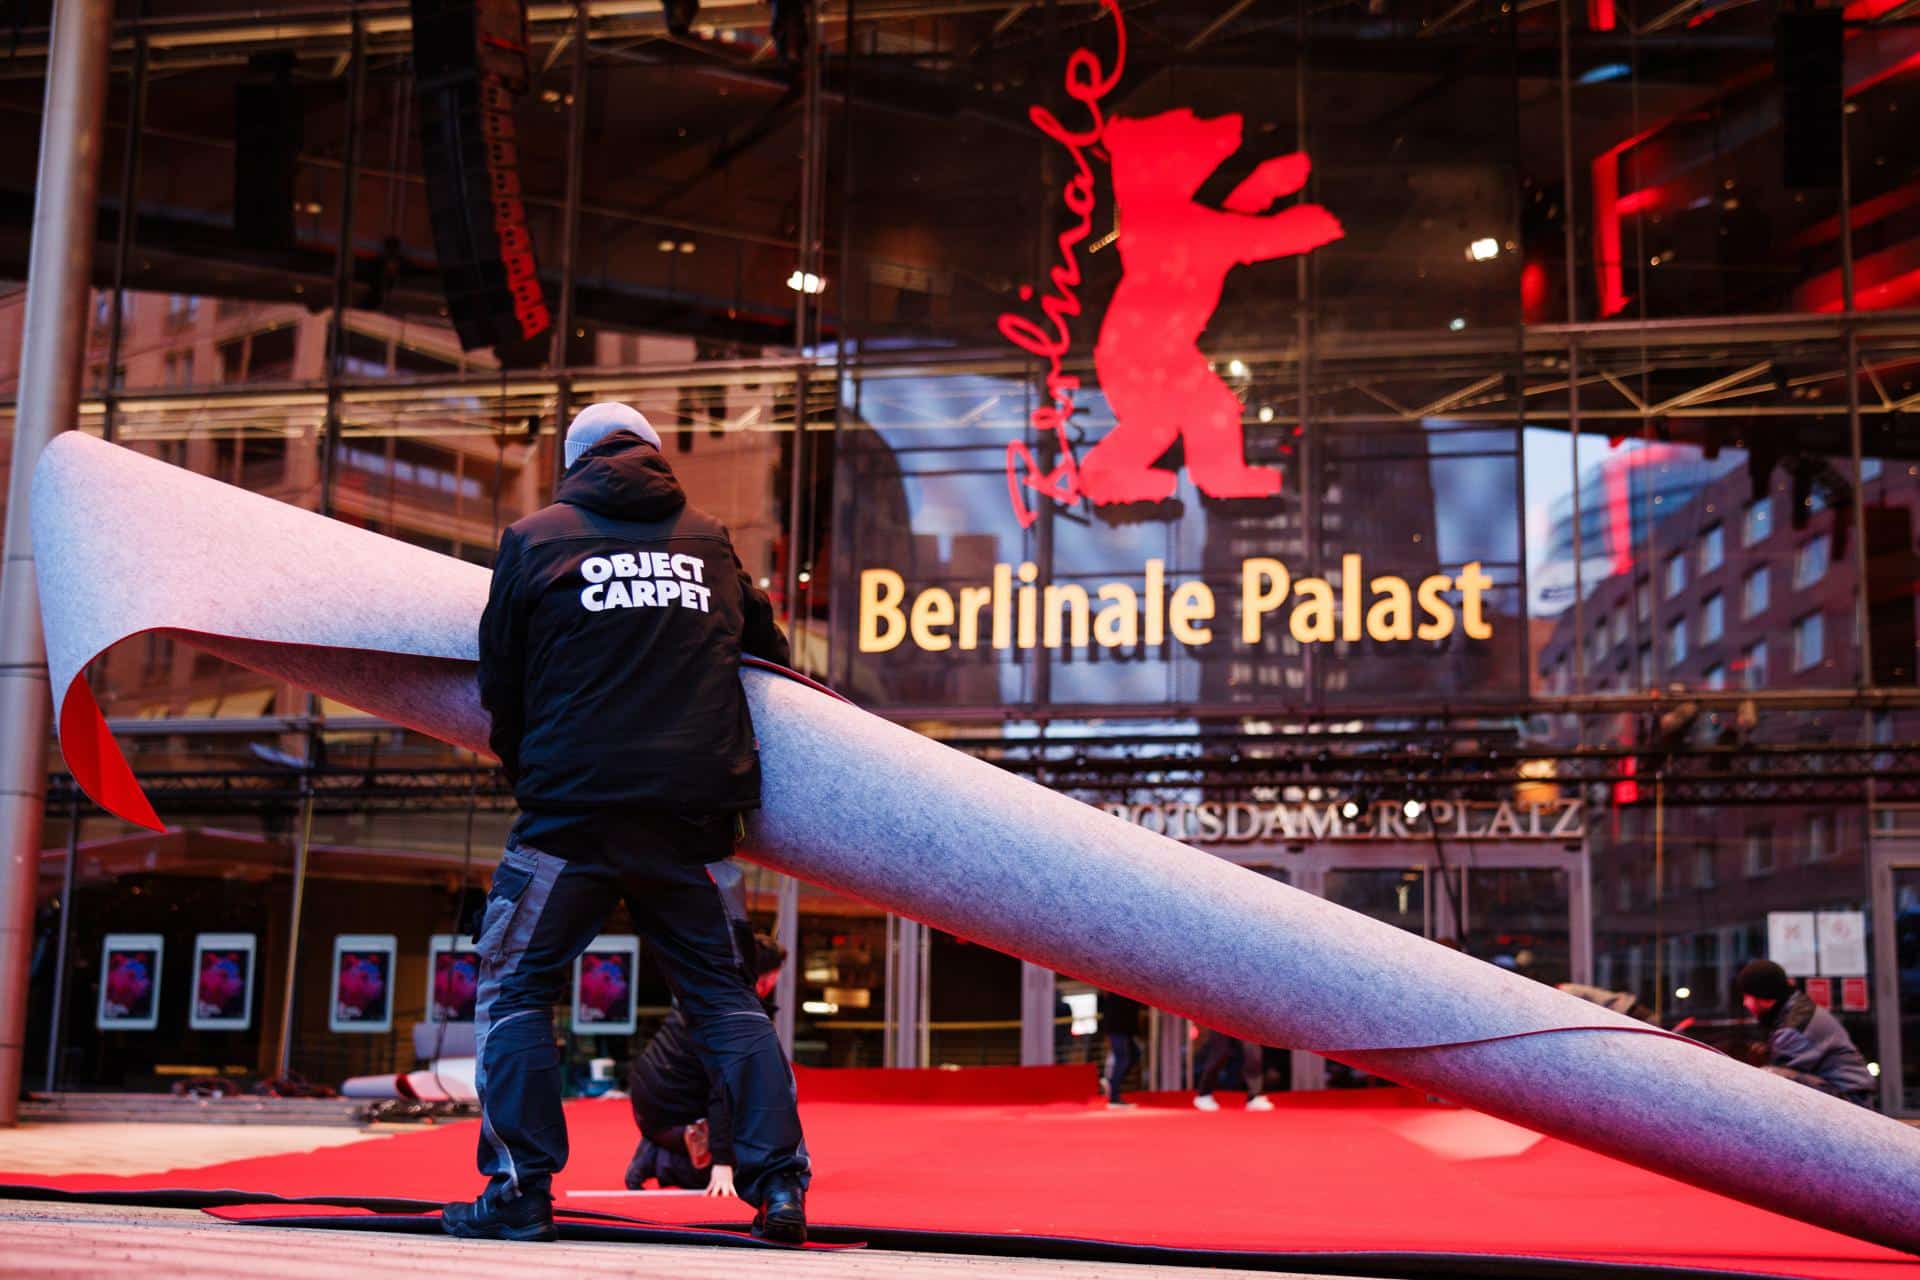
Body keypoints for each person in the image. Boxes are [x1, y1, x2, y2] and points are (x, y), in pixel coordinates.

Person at [443, 402, 810, 1244]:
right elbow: (772, 658)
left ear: (573, 461)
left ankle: (520, 1190)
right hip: (691, 816)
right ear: (652, 453)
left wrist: (535, 770)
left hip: (570, 815)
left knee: (514, 988)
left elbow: (501, 685)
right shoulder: (711, 540)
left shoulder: (533, 540)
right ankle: (780, 1190)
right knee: (723, 997)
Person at [625, 930, 788, 1196]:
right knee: (753, 1173)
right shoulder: (732, 1017)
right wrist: (722, 1161)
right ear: (763, 981)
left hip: (655, 1102)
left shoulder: (707, 992)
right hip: (674, 1111)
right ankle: (665, 1159)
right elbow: (723, 1089)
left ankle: (665, 1147)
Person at [1736, 959, 1876, 1106]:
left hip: (1850, 1100)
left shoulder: (1794, 1029)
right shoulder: (1795, 1009)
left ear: (1765, 999)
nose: (1745, 1003)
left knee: (1769, 1076)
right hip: (1850, 1093)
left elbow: (1780, 1086)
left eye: (1747, 996)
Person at [1193, 1028, 1273, 1111]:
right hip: (1221, 1019)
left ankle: (1254, 1096)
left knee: (1253, 1054)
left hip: (1246, 1020)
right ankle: (1204, 1094)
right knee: (1220, 1053)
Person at [1101, 991, 1143, 1109]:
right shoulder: (1119, 990)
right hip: (1118, 1028)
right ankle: (1113, 1097)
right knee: (1123, 1059)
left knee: (1134, 1054)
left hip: (1123, 1029)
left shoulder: (1120, 990)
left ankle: (1111, 1083)